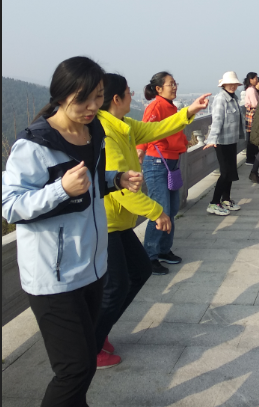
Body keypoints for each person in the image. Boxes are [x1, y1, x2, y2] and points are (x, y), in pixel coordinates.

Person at [2, 56, 143, 407]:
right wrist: (60, 189)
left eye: (98, 96)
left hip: (91, 270)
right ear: (61, 95)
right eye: (84, 99)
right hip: (53, 278)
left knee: (84, 364)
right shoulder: (34, 145)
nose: (93, 107)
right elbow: (11, 206)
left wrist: (115, 179)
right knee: (74, 370)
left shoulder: (92, 133)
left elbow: (88, 184)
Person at [96, 73, 210, 368]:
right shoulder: (105, 133)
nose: (132, 95)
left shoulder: (122, 125)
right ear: (116, 99)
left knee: (139, 271)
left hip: (119, 222)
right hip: (106, 222)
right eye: (128, 92)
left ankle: (99, 331)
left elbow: (156, 129)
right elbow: (119, 187)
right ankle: (91, 344)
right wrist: (156, 212)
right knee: (116, 286)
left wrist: (189, 111)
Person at [136, 72, 190, 275]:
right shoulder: (155, 106)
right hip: (156, 162)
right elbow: (145, 130)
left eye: (175, 83)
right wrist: (139, 151)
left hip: (171, 162)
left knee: (172, 208)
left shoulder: (172, 107)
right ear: (158, 89)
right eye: (170, 84)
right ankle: (149, 256)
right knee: (160, 210)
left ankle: (164, 250)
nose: (174, 87)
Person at [204, 72, 246, 216]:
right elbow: (217, 120)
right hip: (222, 141)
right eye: (230, 84)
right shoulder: (221, 98)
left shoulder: (233, 98)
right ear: (224, 84)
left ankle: (226, 199)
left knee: (231, 171)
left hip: (232, 140)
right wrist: (212, 139)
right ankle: (214, 203)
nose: (233, 86)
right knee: (225, 172)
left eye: (235, 84)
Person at [244, 72, 259, 165]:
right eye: (255, 78)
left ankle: (251, 157)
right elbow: (255, 104)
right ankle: (250, 158)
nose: (257, 80)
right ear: (251, 79)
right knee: (252, 137)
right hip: (253, 114)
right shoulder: (251, 90)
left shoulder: (250, 89)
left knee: (251, 136)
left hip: (250, 113)